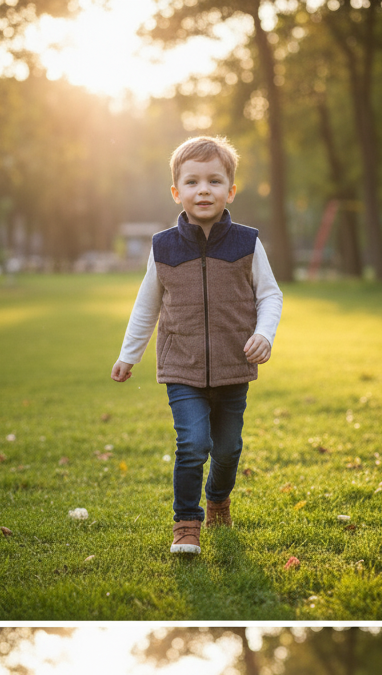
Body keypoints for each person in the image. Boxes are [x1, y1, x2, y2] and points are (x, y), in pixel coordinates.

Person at [111, 135, 283, 555]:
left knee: (228, 450)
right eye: (192, 182)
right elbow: (146, 306)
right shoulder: (163, 248)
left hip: (232, 366)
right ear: (176, 192)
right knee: (192, 444)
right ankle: (186, 522)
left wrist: (264, 333)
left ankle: (218, 498)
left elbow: (270, 295)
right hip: (181, 368)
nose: (203, 190)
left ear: (230, 190)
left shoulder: (247, 242)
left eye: (214, 181)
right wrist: (128, 355)